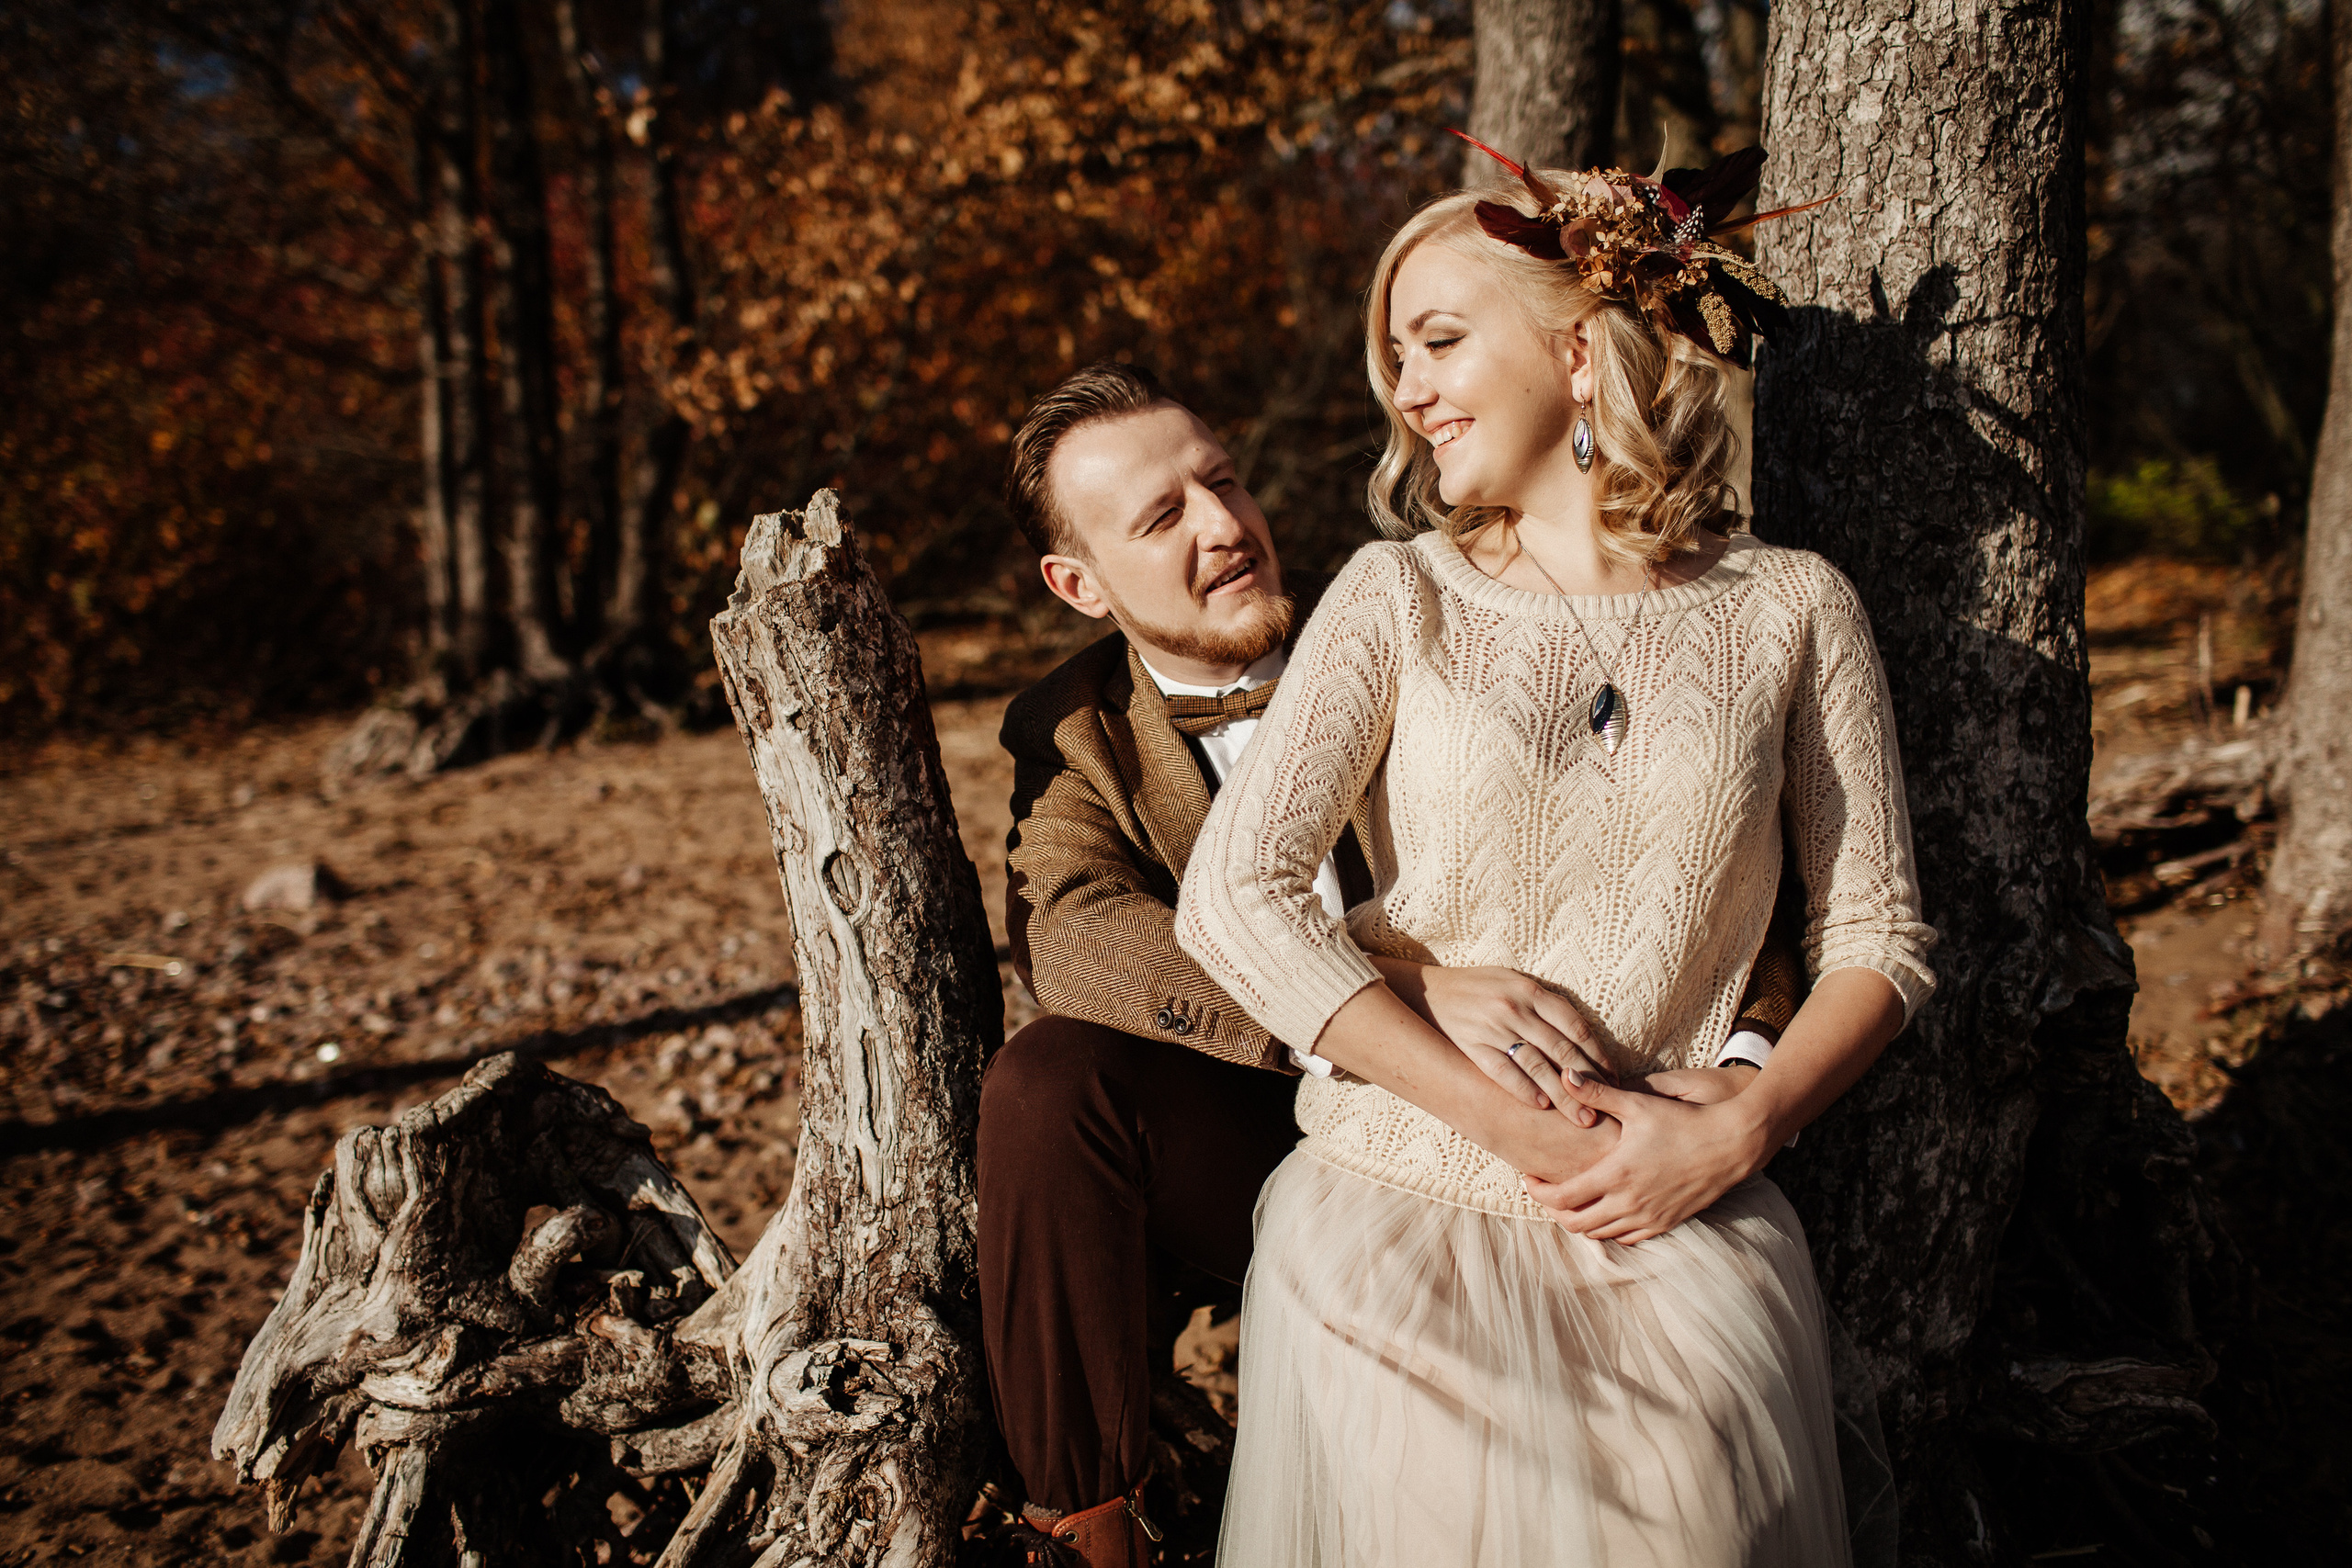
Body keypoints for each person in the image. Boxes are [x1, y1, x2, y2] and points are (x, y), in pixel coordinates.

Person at [1172, 145, 1936, 1566]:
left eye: (1439, 341)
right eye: (1395, 358)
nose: (1406, 389)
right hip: (1404, 1214)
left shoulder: (1791, 609)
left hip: (1673, 1219)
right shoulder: (1395, 595)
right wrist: (1506, 1119)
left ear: (1579, 353)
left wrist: (1743, 1127)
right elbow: (1235, 897)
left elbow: (1878, 936)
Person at [981, 360, 1811, 1565]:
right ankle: (1092, 1531)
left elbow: (1697, 861)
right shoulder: (1072, 725)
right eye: (1163, 519)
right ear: (1078, 583)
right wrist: (1390, 994)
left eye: (1224, 482)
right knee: (1049, 1084)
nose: (1225, 526)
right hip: (1265, 1119)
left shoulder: (1425, 614)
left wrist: (1743, 1064)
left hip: (1532, 1104)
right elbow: (1076, 936)